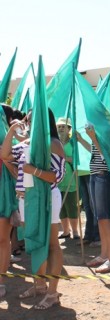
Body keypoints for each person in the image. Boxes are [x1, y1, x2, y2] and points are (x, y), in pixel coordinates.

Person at [1, 108, 66, 309]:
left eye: (31, 121)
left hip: (47, 199)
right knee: (34, 243)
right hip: (26, 199)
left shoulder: (54, 144)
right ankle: (39, 285)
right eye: (26, 121)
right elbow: (4, 155)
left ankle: (52, 292)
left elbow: (56, 177)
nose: (27, 124)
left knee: (52, 244)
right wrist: (11, 132)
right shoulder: (26, 143)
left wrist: (33, 170)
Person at [77, 128, 110, 273]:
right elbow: (94, 151)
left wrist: (93, 137)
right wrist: (84, 139)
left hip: (104, 176)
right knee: (100, 218)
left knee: (105, 218)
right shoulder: (99, 132)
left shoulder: (107, 131)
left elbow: (107, 156)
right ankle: (104, 255)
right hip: (96, 175)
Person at [0, 104, 25, 299]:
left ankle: (0, 281)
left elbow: (11, 160)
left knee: (2, 239)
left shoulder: (13, 136)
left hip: (4, 191)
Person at [56, 117, 79, 240]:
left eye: (63, 126)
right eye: (59, 126)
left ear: (69, 129)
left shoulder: (73, 143)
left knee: (71, 207)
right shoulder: (54, 142)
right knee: (61, 208)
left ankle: (75, 231)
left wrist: (63, 157)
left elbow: (77, 160)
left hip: (71, 179)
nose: (60, 128)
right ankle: (66, 231)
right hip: (58, 180)